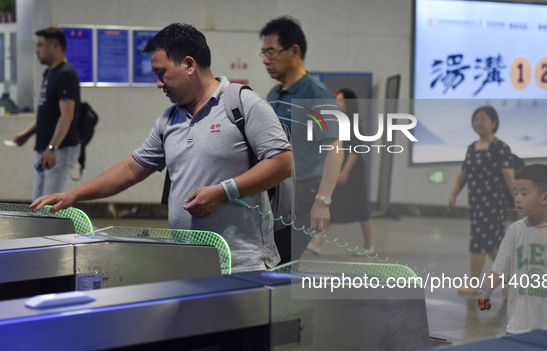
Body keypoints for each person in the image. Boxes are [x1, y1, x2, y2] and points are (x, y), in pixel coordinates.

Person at [31, 23, 292, 272]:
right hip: (187, 261)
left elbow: (282, 163)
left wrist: (223, 192)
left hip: (242, 264)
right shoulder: (169, 120)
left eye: (161, 73)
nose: (158, 83)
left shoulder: (243, 104)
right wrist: (75, 194)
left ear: (189, 64)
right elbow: (131, 168)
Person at [259, 16, 344, 263]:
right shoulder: (275, 93)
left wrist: (322, 201)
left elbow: (336, 148)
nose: (266, 60)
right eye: (263, 53)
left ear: (294, 51)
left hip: (304, 195)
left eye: (271, 53)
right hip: (278, 193)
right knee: (272, 261)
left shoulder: (315, 94)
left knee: (279, 262)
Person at [478, 164, 547, 333]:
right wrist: (485, 291)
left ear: (545, 198)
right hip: (518, 322)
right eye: (515, 193)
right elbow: (499, 267)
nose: (517, 198)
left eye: (524, 193)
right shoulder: (514, 231)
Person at [447, 105, 515, 293]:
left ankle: (474, 283)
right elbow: (463, 175)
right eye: (476, 119)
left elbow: (509, 176)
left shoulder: (500, 148)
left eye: (483, 119)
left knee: (480, 242)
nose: (479, 123)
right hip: (477, 204)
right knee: (490, 245)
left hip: (494, 205)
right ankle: (510, 277)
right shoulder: (471, 148)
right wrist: (453, 194)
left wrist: (519, 199)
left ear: (494, 123)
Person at [12, 27, 81, 200]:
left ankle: (80, 228)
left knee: (50, 205)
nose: (37, 50)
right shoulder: (49, 73)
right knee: (39, 201)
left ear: (55, 45)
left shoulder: (66, 74)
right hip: (45, 148)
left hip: (59, 148)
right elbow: (46, 113)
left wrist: (52, 147)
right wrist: (26, 133)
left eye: (41, 45)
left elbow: (67, 115)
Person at [306, 88, 374, 256]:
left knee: (361, 210)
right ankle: (317, 242)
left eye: (342, 101)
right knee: (331, 204)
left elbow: (355, 151)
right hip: (338, 169)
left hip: (353, 171)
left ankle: (369, 245)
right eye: (337, 100)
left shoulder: (355, 124)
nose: (338, 103)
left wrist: (344, 171)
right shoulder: (336, 121)